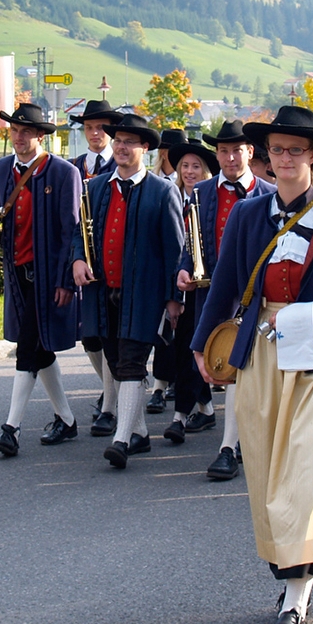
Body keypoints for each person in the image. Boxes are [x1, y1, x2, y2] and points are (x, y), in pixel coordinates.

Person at [191, 105, 313, 624]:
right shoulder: (250, 216)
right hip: (261, 359)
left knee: (305, 475)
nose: (285, 160)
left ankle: (294, 602)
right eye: (277, 151)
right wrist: (202, 346)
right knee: (272, 478)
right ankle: (290, 582)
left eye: (296, 151)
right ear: (266, 156)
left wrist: (306, 318)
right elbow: (226, 284)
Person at [72, 113, 184, 469]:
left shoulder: (163, 191)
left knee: (133, 361)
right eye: (118, 141)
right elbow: (81, 235)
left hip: (144, 293)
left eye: (129, 142)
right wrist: (77, 260)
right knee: (116, 362)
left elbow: (175, 249)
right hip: (103, 292)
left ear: (145, 148)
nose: (121, 147)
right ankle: (137, 433)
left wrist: (173, 298)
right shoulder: (95, 188)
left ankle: (121, 439)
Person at [176, 119, 277, 480]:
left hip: (257, 294)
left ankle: (234, 446)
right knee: (224, 367)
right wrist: (184, 269)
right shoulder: (201, 192)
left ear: (251, 152)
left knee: (250, 368)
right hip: (212, 294)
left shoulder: (268, 193)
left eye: (237, 150)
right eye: (222, 151)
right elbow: (191, 240)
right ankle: (231, 445)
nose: (230, 157)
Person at [0, 103, 81, 457]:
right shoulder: (0, 169)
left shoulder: (63, 172)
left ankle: (11, 428)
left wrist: (67, 280)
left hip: (49, 276)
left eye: (26, 132)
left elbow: (71, 231)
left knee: (28, 348)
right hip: (16, 272)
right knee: (40, 348)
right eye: (14, 131)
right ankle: (66, 419)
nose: (19, 137)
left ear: (40, 136)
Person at [160, 137, 218, 444]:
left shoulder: (209, 198)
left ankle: (180, 416)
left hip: (208, 287)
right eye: (185, 166)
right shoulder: (171, 196)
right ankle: (205, 409)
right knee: (186, 349)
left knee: (192, 348)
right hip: (181, 284)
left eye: (196, 166)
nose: (190, 171)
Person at [69, 98, 122, 420]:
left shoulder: (121, 165)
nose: (94, 133)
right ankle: (112, 387)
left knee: (113, 337)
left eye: (101, 128)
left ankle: (111, 404)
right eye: (89, 128)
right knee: (89, 336)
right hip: (86, 261)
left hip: (114, 259)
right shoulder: (75, 166)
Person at [147, 128, 193, 412]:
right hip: (169, 265)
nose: (187, 169)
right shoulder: (164, 187)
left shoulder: (198, 190)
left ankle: (183, 385)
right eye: (183, 163)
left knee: (185, 329)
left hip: (192, 269)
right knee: (165, 328)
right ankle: (160, 385)